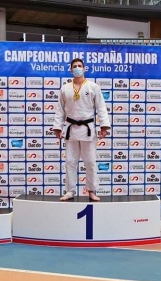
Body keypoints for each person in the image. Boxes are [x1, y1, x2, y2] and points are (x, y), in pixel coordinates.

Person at [53, 58, 111, 201]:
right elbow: (60, 110)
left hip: (88, 129)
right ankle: (70, 190)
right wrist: (57, 127)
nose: (77, 68)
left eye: (80, 66)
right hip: (71, 128)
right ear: (71, 70)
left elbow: (101, 107)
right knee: (70, 162)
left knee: (90, 161)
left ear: (84, 69)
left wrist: (104, 126)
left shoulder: (93, 87)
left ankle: (91, 190)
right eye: (75, 66)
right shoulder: (65, 88)